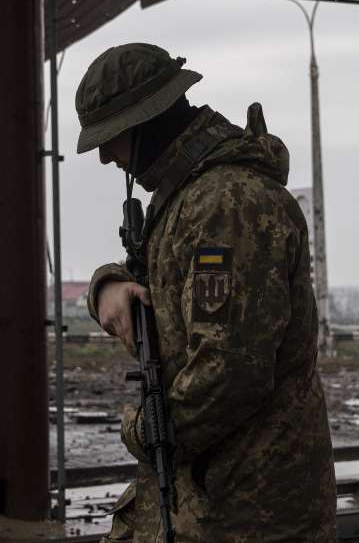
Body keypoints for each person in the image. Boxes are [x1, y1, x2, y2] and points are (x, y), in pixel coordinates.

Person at [76, 43, 337, 542]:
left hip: (250, 507)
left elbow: (230, 372)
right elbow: (158, 284)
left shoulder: (226, 205)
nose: (108, 156)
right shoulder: (187, 199)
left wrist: (139, 430)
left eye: (112, 139)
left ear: (146, 121)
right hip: (214, 493)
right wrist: (106, 286)